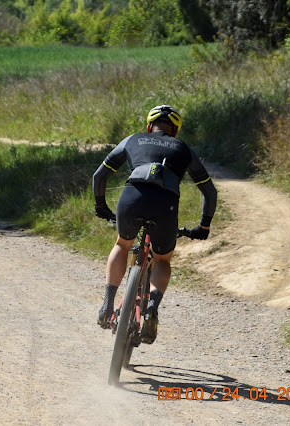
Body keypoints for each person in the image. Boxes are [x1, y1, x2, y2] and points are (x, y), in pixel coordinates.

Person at [92, 105, 217, 344]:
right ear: (176, 131)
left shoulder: (132, 139)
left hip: (132, 197)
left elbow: (100, 176)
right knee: (161, 259)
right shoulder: (183, 148)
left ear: (149, 127)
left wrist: (101, 206)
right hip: (165, 205)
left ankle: (108, 303)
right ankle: (151, 309)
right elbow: (209, 191)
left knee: (122, 244)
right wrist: (204, 226)